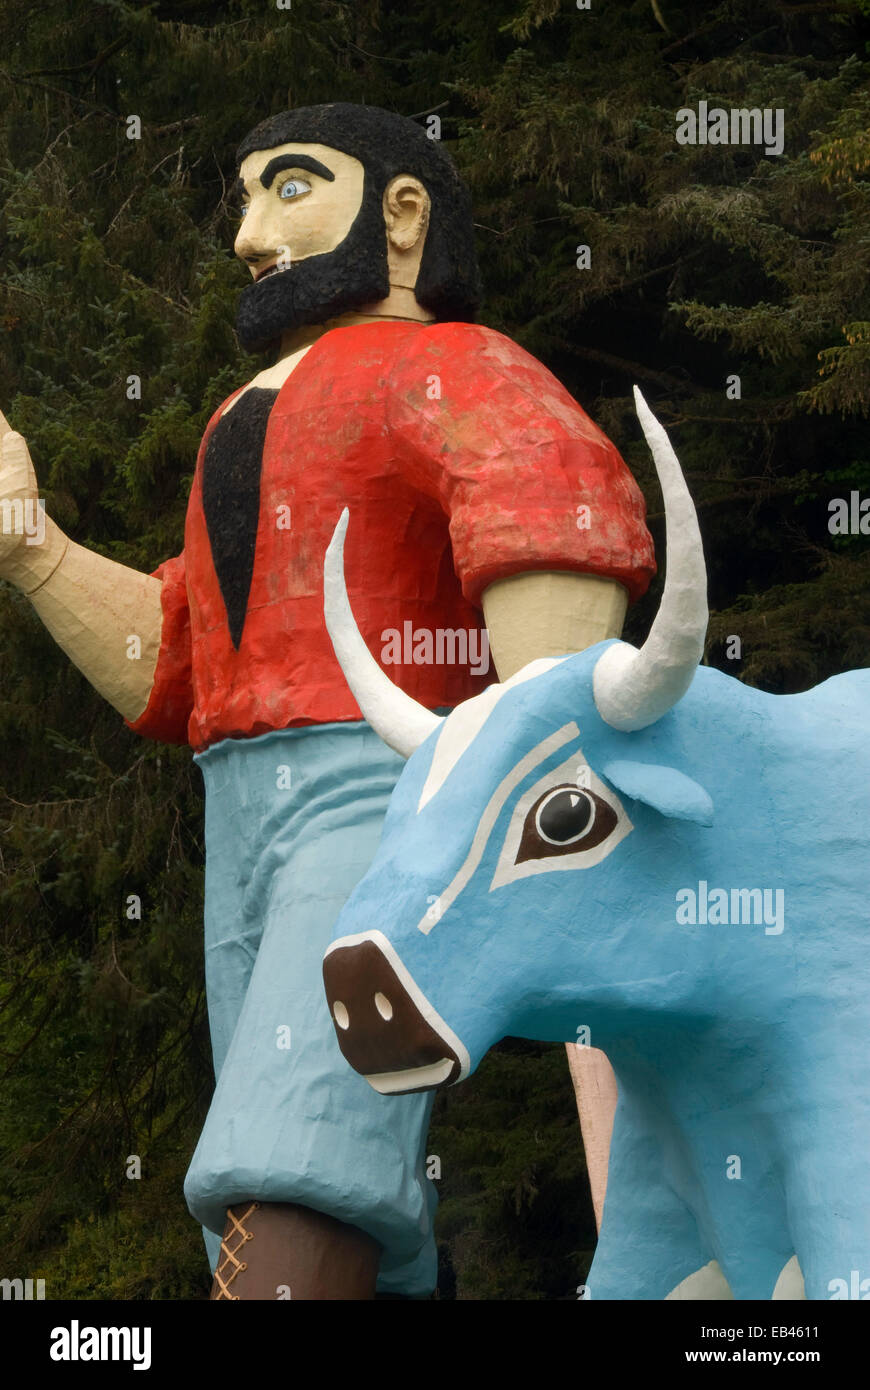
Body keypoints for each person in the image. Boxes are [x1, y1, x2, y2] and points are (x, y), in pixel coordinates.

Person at [0, 103, 654, 1299]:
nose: (250, 236)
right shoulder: (232, 421)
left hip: (388, 783)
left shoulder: (459, 364)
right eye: (242, 200)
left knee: (297, 1152)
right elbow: (177, 658)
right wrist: (32, 543)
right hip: (239, 814)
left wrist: (529, 755)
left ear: (402, 217)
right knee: (279, 1168)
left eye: (288, 189)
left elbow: (554, 508)